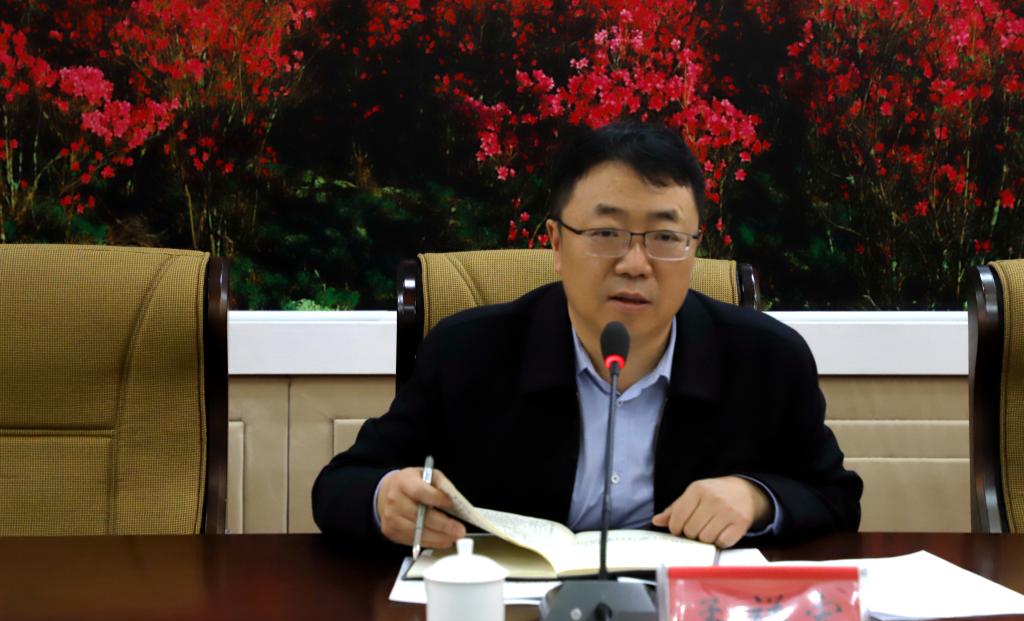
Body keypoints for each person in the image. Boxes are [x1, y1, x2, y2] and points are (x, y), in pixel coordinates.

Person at [312, 119, 862, 552]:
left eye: (665, 237)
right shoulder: (466, 351)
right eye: (605, 233)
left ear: (695, 245)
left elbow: (837, 498)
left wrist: (757, 498)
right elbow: (341, 484)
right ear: (555, 242)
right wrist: (384, 499)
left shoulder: (767, 358)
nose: (635, 263)